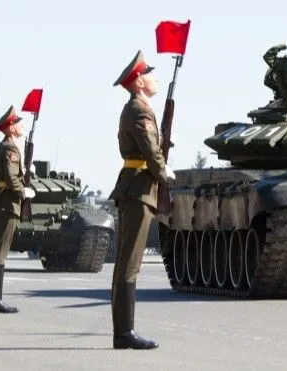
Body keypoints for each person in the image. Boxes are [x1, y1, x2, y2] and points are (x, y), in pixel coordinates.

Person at [110, 49, 175, 350]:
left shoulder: (136, 108)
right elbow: (150, 150)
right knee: (129, 265)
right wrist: (164, 173)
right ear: (138, 83)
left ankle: (123, 332)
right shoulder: (140, 110)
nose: (154, 78)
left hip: (135, 187)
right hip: (138, 189)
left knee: (126, 263)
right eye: (149, 74)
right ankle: (124, 334)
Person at [0, 106, 36, 313]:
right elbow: (12, 177)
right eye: (18, 123)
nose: (21, 125)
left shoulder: (5, 147)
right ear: (11, 128)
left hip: (2, 202)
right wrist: (23, 192)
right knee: (0, 253)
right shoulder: (10, 149)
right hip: (7, 203)